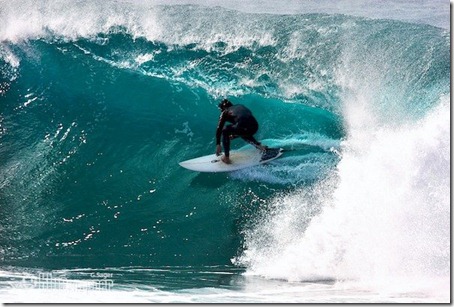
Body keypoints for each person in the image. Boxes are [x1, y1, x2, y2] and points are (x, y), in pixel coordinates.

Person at [215, 99, 267, 164]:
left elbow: (219, 128)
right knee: (242, 129)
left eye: (221, 110)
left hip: (243, 127)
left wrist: (218, 144)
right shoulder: (239, 106)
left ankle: (226, 158)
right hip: (255, 126)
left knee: (225, 130)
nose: (221, 111)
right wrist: (235, 135)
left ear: (224, 108)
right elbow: (245, 122)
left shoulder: (225, 112)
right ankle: (260, 146)